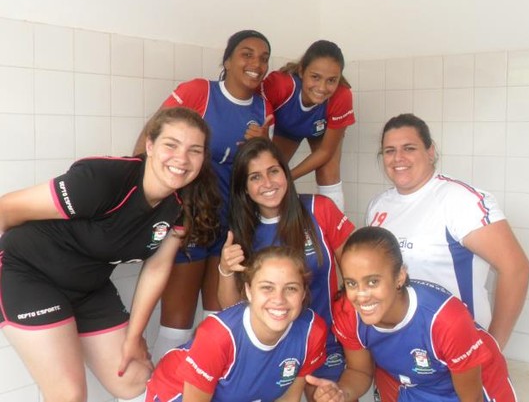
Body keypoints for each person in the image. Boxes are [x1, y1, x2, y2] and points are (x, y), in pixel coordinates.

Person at [0, 107, 220, 402]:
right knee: (69, 395)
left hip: (89, 285)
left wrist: (133, 337)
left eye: (195, 150)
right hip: (28, 274)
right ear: (150, 146)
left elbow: (156, 269)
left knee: (135, 378)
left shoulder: (183, 202)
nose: (182, 158)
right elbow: (6, 209)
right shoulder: (103, 179)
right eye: (171, 145)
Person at [134, 30, 274, 362]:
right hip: (191, 219)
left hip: (235, 223)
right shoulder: (200, 91)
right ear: (227, 60)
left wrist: (262, 143)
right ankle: (165, 394)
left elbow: (263, 169)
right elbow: (150, 141)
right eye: (247, 54)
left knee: (218, 323)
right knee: (176, 327)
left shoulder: (264, 107)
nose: (256, 63)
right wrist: (145, 202)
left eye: (264, 57)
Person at [367, 113, 529, 349]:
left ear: (430, 151)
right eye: (389, 150)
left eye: (409, 148)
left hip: (457, 348)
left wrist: (492, 346)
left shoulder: (459, 200)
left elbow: (516, 268)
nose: (398, 158)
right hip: (398, 346)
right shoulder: (378, 205)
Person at [307, 226, 518, 402]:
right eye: (352, 283)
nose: (361, 295)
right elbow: (359, 372)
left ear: (399, 277)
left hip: (477, 384)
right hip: (411, 384)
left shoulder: (445, 320)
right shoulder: (348, 312)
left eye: (373, 281)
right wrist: (342, 392)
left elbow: (471, 399)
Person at [217, 137, 355, 399]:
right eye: (255, 177)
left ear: (285, 173)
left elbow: (356, 271)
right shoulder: (242, 233)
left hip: (326, 340)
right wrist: (225, 269)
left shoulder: (319, 209)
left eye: (273, 171)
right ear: (245, 188)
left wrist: (354, 329)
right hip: (272, 348)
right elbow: (231, 309)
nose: (267, 183)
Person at [145, 245, 328, 402]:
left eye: (291, 288)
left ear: (303, 294)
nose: (278, 299)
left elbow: (288, 399)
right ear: (248, 291)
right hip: (176, 391)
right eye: (267, 288)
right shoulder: (217, 336)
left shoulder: (312, 331)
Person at [261, 40, 355, 211]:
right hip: (286, 129)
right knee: (270, 169)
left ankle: (335, 230)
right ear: (302, 70)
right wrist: (281, 175)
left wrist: (290, 177)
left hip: (321, 132)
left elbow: (325, 151)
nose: (322, 87)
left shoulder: (342, 96)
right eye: (315, 77)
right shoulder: (281, 84)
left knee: (328, 172)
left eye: (331, 80)